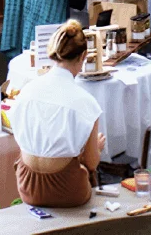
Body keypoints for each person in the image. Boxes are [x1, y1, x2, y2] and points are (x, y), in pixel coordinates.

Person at [8, 21, 105, 208]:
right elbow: (92, 163)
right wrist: (97, 148)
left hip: (27, 186)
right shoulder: (87, 103)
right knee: (86, 168)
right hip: (69, 190)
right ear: (83, 56)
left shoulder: (26, 92)